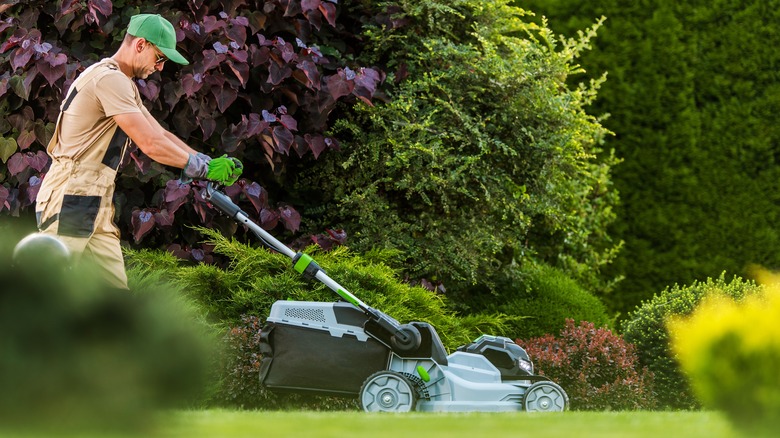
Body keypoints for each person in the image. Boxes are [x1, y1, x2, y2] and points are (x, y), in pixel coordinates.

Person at [35, 13, 242, 290]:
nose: (160, 68)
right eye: (160, 58)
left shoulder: (120, 82)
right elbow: (150, 144)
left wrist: (207, 161)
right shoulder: (110, 80)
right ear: (141, 45)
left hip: (93, 197)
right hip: (73, 193)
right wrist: (201, 169)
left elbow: (161, 134)